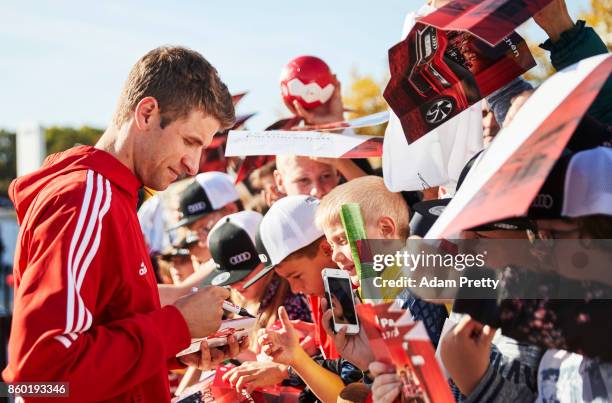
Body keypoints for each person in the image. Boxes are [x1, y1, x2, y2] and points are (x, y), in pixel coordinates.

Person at [3, 46, 245, 402]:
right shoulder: (84, 198)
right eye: (190, 141)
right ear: (146, 113)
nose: (194, 165)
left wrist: (174, 348)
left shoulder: (109, 196)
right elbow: (42, 378)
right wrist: (175, 325)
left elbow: (98, 331)